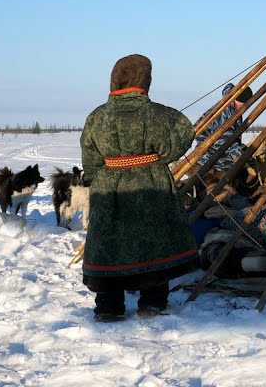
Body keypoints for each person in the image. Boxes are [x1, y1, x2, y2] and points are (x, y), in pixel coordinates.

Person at [81, 54, 199, 321]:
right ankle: (152, 303)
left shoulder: (96, 117)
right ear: (146, 80)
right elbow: (180, 137)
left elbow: (89, 160)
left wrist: (101, 178)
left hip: (109, 185)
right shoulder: (159, 115)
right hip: (151, 183)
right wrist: (154, 159)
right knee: (153, 239)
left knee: (109, 243)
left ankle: (108, 306)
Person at [195, 82, 253, 177]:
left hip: (220, 156)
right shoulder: (225, 111)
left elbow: (232, 137)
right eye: (242, 104)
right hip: (209, 157)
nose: (243, 107)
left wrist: (242, 149)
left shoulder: (234, 110)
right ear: (237, 99)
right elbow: (222, 140)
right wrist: (238, 154)